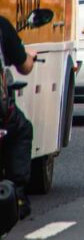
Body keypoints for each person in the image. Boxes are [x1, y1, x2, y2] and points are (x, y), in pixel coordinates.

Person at [0, 16, 36, 220]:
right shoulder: (2, 26)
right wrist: (29, 55)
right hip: (2, 116)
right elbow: (25, 66)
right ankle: (18, 195)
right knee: (23, 130)